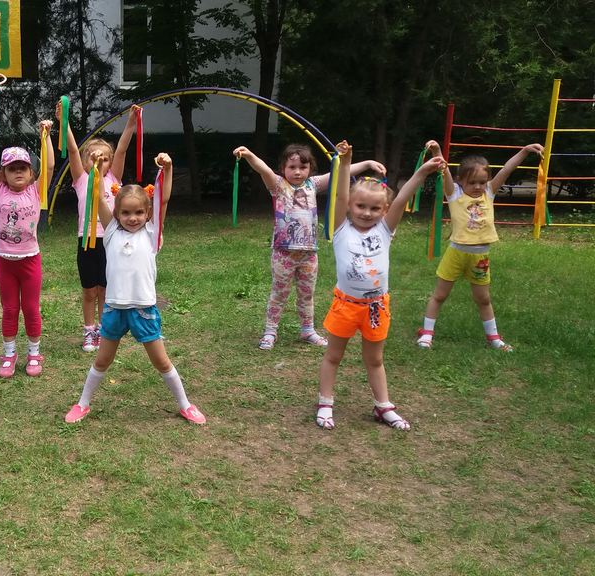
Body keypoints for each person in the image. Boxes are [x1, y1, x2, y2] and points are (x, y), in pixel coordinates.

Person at [64, 151, 206, 425]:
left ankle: (186, 404)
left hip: (144, 310)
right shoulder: (111, 232)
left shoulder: (153, 234)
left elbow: (163, 199)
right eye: (126, 212)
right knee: (102, 361)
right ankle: (82, 404)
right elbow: (96, 196)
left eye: (139, 212)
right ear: (116, 213)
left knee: (162, 362)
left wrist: (168, 168)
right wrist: (96, 169)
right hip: (114, 310)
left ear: (148, 213)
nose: (133, 218)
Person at [315, 141, 445, 431]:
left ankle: (383, 405)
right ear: (350, 206)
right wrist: (345, 161)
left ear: (384, 210)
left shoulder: (385, 230)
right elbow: (339, 193)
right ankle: (325, 402)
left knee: (375, 360)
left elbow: (402, 198)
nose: (366, 212)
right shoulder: (340, 228)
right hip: (346, 305)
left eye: (375, 208)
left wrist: (423, 172)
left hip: (376, 307)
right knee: (333, 356)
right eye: (360, 206)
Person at [233, 144, 386, 350]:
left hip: (309, 255)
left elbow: (339, 173)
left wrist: (367, 163)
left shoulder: (313, 184)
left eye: (303, 167)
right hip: (283, 254)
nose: (297, 172)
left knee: (307, 295)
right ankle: (270, 331)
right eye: (292, 167)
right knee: (279, 294)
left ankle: (307, 330)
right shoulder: (278, 185)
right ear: (283, 168)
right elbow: (264, 170)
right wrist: (249, 154)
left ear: (310, 169)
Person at [416, 141, 544, 351]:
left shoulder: (489, 192)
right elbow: (443, 169)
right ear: (460, 180)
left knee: (483, 299)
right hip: (456, 254)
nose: (477, 186)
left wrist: (524, 151)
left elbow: (507, 169)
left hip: (480, 258)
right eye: (472, 182)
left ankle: (494, 338)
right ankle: (427, 334)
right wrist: (437, 151)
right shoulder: (454, 194)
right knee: (439, 295)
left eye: (482, 182)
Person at [58, 100, 139, 352]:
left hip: (111, 241)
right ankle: (89, 330)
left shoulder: (114, 178)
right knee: (89, 291)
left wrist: (131, 122)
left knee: (105, 289)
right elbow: (72, 150)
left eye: (105, 158)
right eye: (94, 157)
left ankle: (104, 330)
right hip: (87, 241)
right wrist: (64, 122)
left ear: (110, 162)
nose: (100, 161)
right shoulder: (81, 179)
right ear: (86, 161)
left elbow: (122, 149)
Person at [0, 117, 55, 378]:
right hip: (5, 262)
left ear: (31, 172)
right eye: (12, 168)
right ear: (3, 174)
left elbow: (50, 166)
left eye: (23, 167)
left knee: (31, 308)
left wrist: (46, 137)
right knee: (10, 309)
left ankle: (34, 353)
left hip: (30, 260)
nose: (18, 172)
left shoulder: (36, 191)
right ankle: (9, 354)